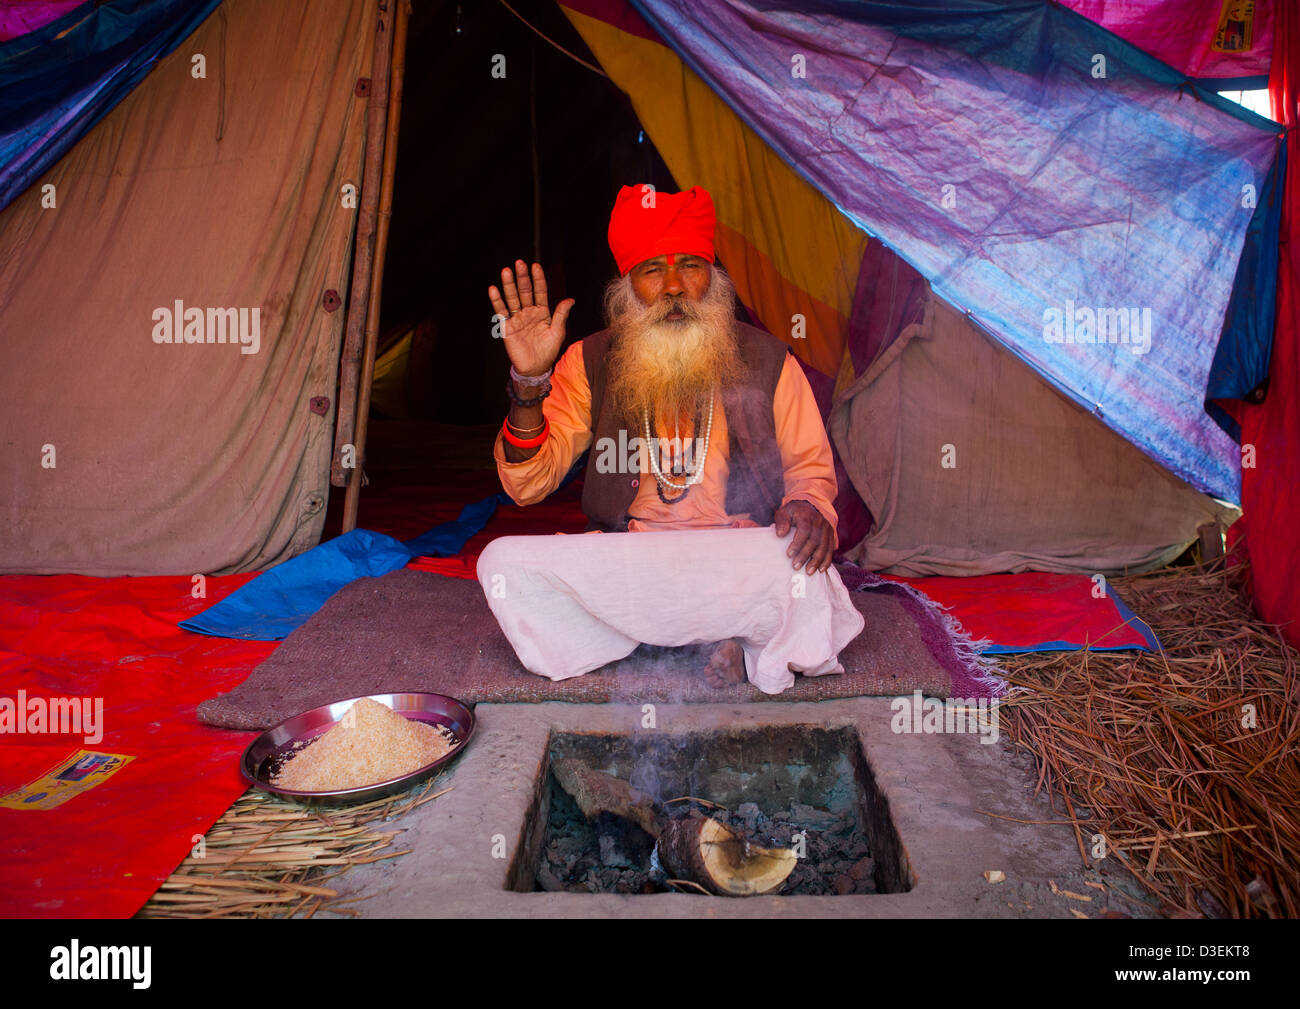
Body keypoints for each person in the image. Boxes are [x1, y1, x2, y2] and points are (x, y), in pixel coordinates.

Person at [476, 184, 864, 693]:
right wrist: (529, 383)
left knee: (796, 564)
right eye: (653, 269)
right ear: (628, 285)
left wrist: (808, 505)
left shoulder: (768, 360)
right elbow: (527, 486)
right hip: (634, 563)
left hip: (736, 557)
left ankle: (650, 642)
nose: (675, 286)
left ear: (713, 277)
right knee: (502, 563)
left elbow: (810, 472)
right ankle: (727, 639)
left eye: (691, 266)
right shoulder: (591, 361)